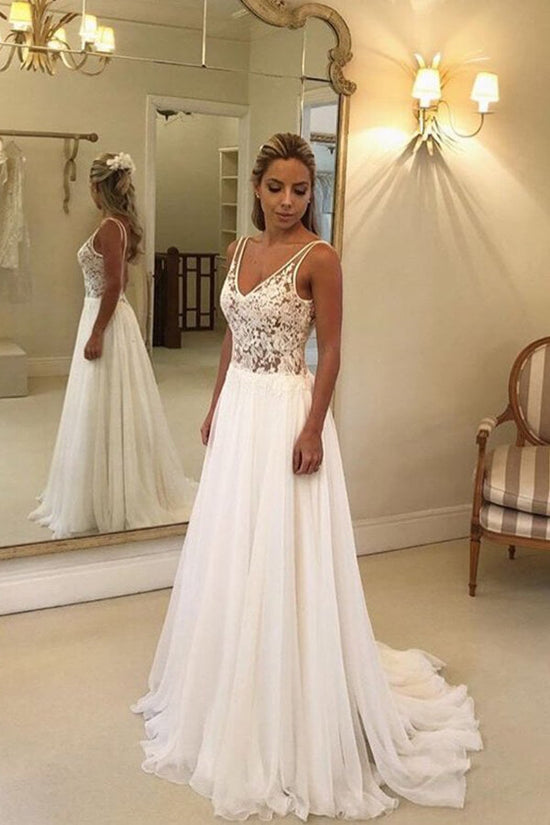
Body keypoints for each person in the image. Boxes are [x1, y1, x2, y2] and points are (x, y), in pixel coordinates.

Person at [132, 133, 482, 820]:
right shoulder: (238, 251)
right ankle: (231, 672)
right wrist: (214, 406)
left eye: (300, 189)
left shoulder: (320, 258)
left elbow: (333, 350)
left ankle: (288, 683)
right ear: (257, 189)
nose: (288, 201)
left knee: (282, 548)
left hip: (286, 412)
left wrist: (314, 426)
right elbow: (232, 338)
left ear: (309, 194)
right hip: (241, 409)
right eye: (276, 188)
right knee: (232, 542)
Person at [29, 152, 196, 540]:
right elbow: (119, 282)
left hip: (104, 317)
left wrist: (96, 332)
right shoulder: (119, 225)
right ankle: (101, 486)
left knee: (101, 403)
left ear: (95, 187)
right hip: (108, 315)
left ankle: (109, 493)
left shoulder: (109, 227)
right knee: (103, 404)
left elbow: (115, 285)